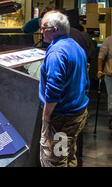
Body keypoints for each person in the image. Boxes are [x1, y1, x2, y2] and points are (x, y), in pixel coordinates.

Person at [39, 11, 90, 167]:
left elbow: (54, 89)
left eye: (43, 28)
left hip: (61, 118)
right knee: (68, 154)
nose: (41, 31)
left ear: (54, 30)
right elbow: (86, 81)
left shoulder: (56, 52)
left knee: (55, 159)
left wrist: (47, 116)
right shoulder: (75, 46)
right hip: (77, 113)